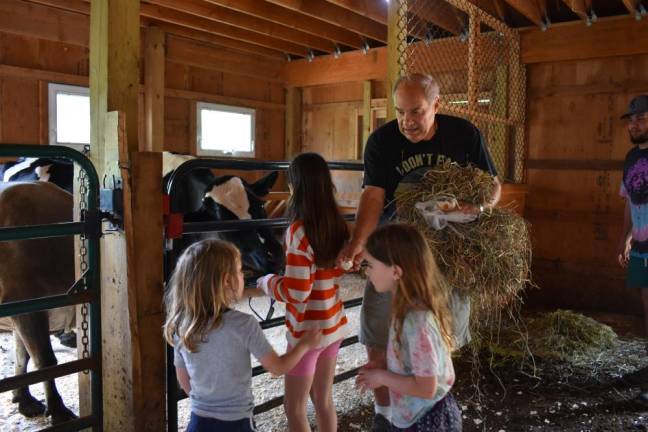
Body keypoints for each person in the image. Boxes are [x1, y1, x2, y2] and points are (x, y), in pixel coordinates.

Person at [337, 72, 500, 431]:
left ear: (436, 106)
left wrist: (481, 209)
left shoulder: (463, 134)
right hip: (396, 250)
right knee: (378, 330)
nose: (407, 122)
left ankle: (432, 406)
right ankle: (386, 415)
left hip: (447, 250)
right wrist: (358, 242)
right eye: (399, 112)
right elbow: (374, 195)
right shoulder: (382, 141)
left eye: (416, 112)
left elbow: (491, 185)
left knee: (442, 333)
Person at [163, 239, 322, 432]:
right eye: (239, 270)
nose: (243, 275)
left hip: (198, 422)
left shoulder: (181, 325)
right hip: (237, 422)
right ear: (227, 281)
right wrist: (304, 344)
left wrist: (208, 403)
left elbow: (184, 380)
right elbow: (277, 368)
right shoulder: (244, 325)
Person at [256, 152, 350, 432]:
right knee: (323, 399)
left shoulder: (298, 231)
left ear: (297, 187)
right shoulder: (338, 224)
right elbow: (340, 270)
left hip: (307, 332)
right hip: (333, 325)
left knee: (294, 408)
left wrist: (268, 282)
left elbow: (297, 292)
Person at [356, 223, 461, 431]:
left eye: (369, 265)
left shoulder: (417, 322)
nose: (367, 272)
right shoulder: (406, 309)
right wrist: (383, 366)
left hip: (427, 420)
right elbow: (413, 362)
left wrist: (381, 377)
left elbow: (426, 387)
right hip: (415, 414)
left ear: (395, 272)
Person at [616, 95, 648, 404]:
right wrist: (624, 237)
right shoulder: (630, 158)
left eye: (642, 118)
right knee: (645, 308)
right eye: (632, 119)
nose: (635, 124)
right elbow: (629, 200)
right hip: (640, 244)